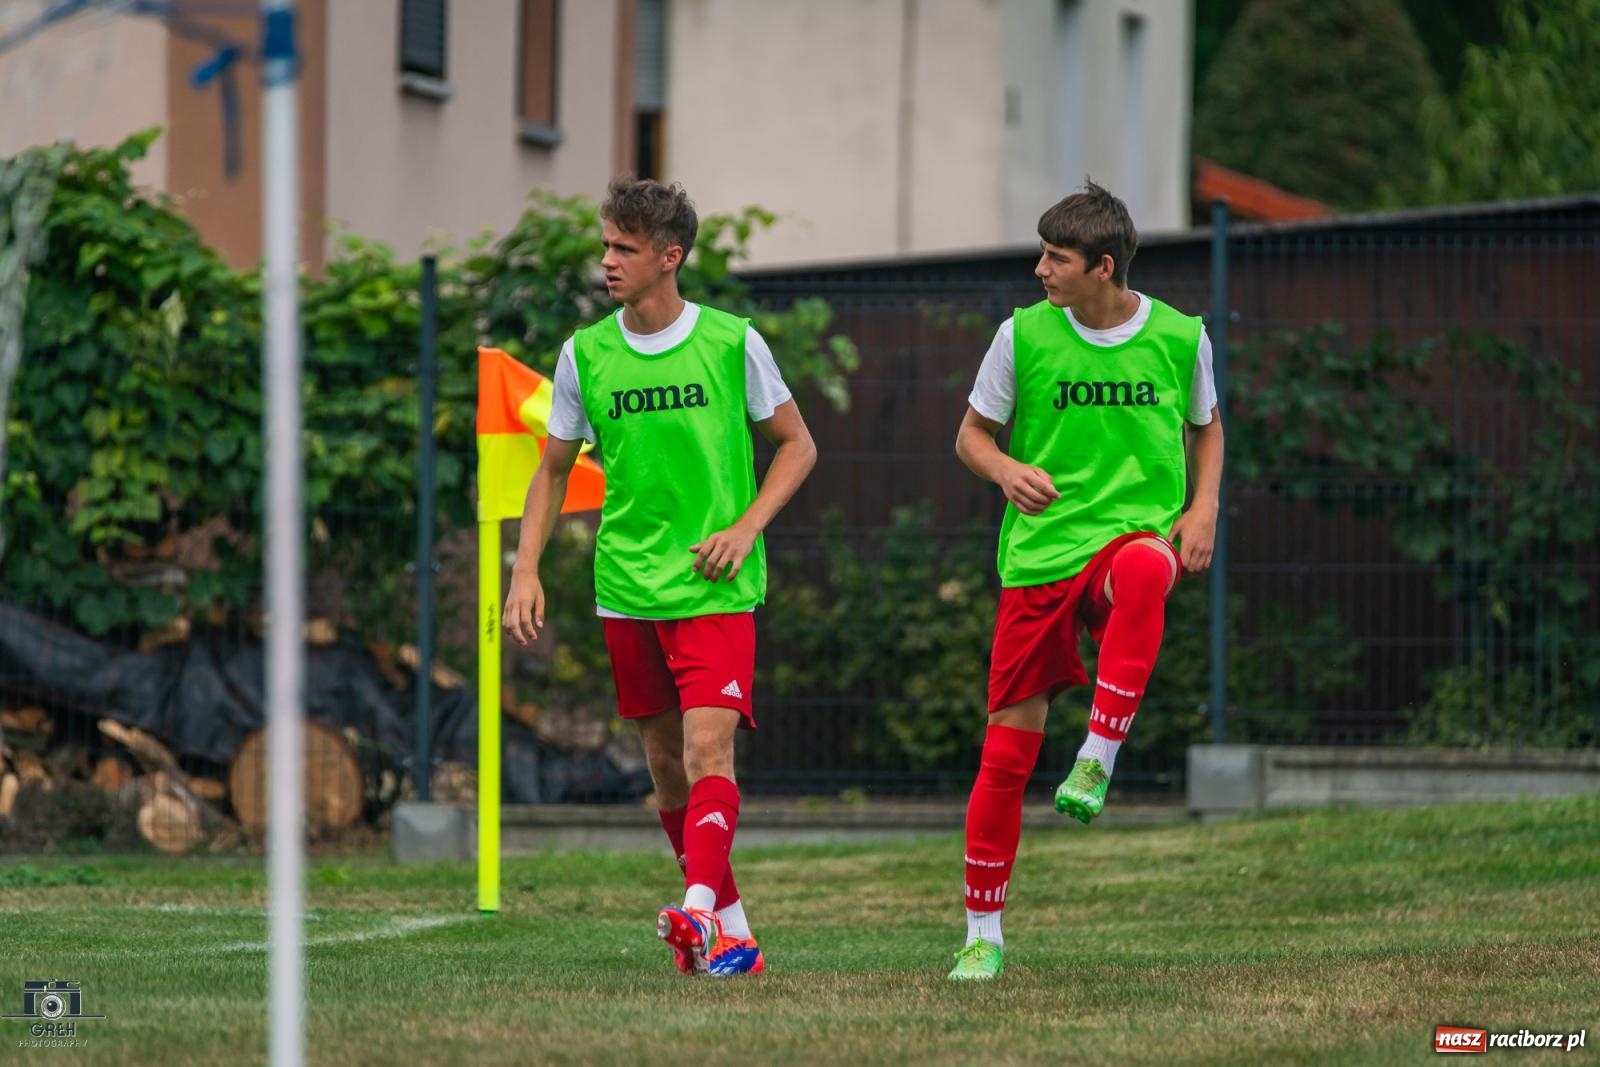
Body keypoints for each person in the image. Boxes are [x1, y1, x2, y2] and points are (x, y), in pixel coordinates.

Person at [502, 176, 817, 978]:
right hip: (627, 588)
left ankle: (698, 910)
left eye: (625, 248)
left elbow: (798, 445)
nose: (607, 261)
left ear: (669, 256)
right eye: (606, 245)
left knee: (708, 751)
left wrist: (744, 528)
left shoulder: (732, 343)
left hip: (714, 585)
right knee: (667, 765)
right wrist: (525, 568)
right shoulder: (584, 353)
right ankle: (733, 936)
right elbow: (552, 470)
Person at [946, 181, 1224, 980]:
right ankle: (982, 935)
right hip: (1039, 557)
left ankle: (1098, 755)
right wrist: (1006, 470)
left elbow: (1207, 428)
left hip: (1124, 542)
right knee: (1006, 755)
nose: (1040, 269)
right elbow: (971, 436)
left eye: (1055, 257)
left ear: (1103, 267)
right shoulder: (1021, 335)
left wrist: (1202, 508)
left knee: (1145, 565)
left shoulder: (1180, 336)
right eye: (1042, 253)